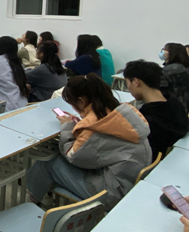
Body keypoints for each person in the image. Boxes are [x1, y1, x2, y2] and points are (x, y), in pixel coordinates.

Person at [26, 73, 152, 212]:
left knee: (48, 162)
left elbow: (72, 155)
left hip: (112, 193)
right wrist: (82, 124)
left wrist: (67, 126)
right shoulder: (121, 113)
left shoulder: (93, 128)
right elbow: (100, 142)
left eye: (73, 104)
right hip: (130, 183)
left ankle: (32, 201)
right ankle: (44, 194)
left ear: (81, 102)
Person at [124, 60, 188, 159]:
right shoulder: (176, 104)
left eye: (127, 83)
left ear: (136, 82)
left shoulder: (147, 121)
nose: (128, 87)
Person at [159, 43, 189, 113]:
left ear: (172, 53)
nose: (162, 51)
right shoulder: (180, 68)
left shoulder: (173, 69)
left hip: (176, 108)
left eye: (165, 49)